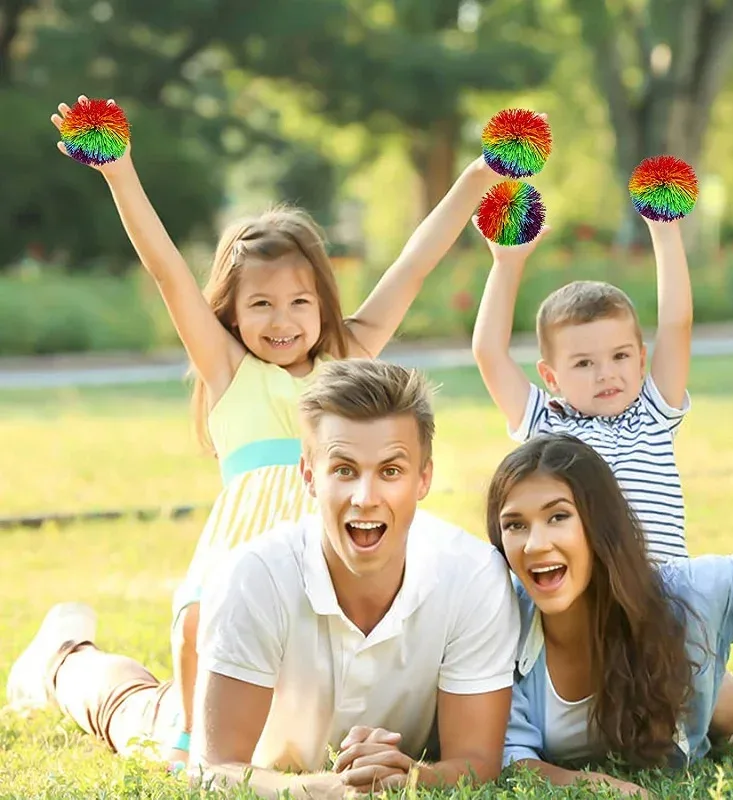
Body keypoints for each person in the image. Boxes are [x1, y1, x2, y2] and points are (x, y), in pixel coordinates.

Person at [49, 96, 501, 764]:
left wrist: (480, 176)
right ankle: (74, 663)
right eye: (260, 304)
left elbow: (413, 264)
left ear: (323, 304)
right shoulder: (230, 370)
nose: (282, 320)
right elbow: (169, 271)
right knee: (195, 640)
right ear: (231, 312)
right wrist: (120, 172)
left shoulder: (349, 359)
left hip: (325, 557)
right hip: (242, 550)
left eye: (299, 302)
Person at [7, 359, 520, 799]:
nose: (366, 496)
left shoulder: (473, 576)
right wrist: (319, 789)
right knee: (138, 712)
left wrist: (413, 777)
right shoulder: (253, 577)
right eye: (343, 469)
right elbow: (209, 770)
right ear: (308, 476)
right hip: (252, 740)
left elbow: (477, 760)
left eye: (390, 470)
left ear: (424, 478)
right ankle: (63, 656)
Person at [470, 215, 733, 744]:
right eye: (583, 363)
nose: (606, 373)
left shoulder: (652, 412)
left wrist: (665, 233)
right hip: (578, 618)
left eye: (620, 356)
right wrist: (506, 263)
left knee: (728, 709)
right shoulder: (547, 426)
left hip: (658, 612)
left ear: (641, 358)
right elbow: (489, 353)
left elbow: (677, 322)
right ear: (551, 376)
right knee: (609, 720)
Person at [486, 433, 733, 796]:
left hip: (687, 682)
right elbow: (510, 759)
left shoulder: (690, 592)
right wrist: (606, 786)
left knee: (730, 710)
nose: (536, 544)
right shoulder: (496, 620)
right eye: (515, 525)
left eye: (558, 516)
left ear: (599, 524)